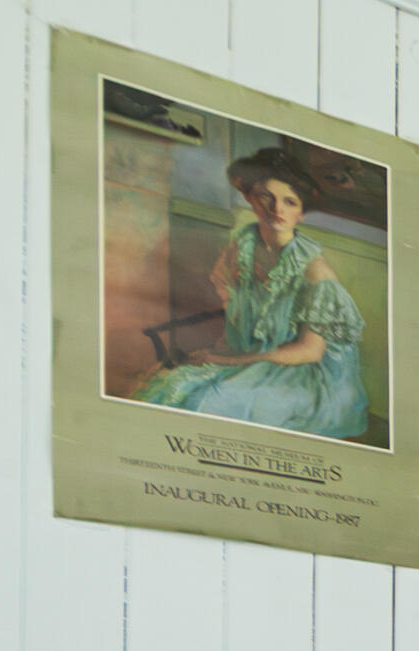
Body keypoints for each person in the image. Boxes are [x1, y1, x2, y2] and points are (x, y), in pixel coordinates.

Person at [136, 144, 371, 440]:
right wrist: (215, 354)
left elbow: (310, 352)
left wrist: (225, 362)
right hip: (249, 357)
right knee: (164, 384)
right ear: (249, 198)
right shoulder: (241, 249)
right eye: (266, 197)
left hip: (304, 377)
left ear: (301, 213)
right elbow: (239, 319)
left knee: (206, 402)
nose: (277, 210)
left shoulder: (315, 272)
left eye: (289, 202)